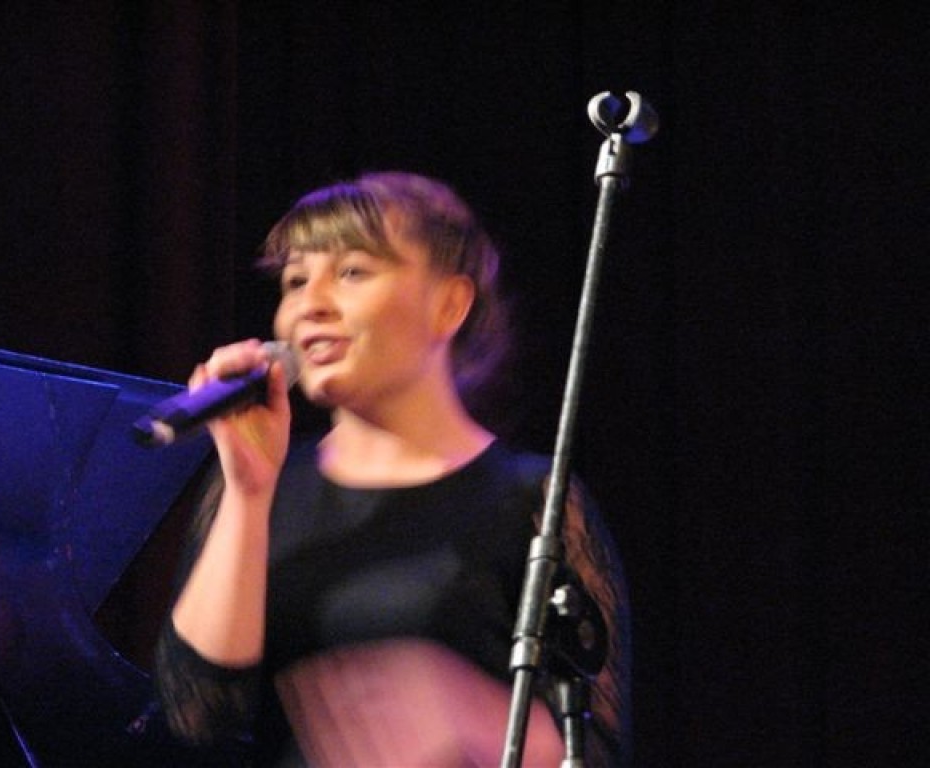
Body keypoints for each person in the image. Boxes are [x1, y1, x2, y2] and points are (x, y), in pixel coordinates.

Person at [153, 171, 631, 766]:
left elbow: (598, 748)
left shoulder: (536, 500)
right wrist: (248, 492)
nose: (310, 304)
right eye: (295, 281)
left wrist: (471, 716)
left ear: (448, 305)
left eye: (352, 272)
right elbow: (197, 717)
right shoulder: (256, 487)